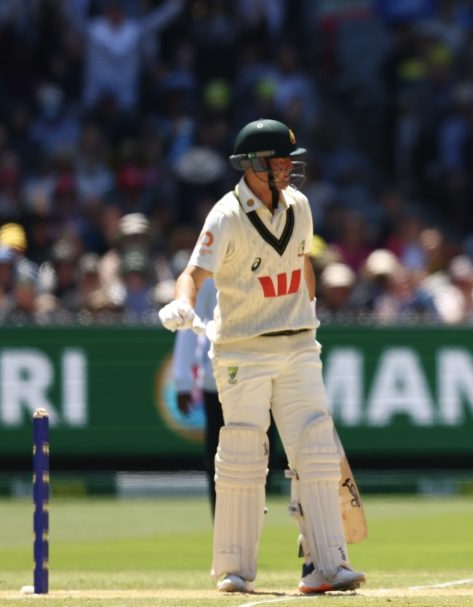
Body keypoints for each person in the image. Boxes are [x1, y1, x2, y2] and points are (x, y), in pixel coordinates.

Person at [158, 118, 365, 594]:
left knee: (315, 449)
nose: (288, 169)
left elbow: (303, 265)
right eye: (279, 161)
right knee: (243, 452)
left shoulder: (300, 205)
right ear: (252, 165)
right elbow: (193, 273)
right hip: (242, 350)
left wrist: (311, 314)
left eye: (290, 161)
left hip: (298, 345)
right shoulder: (226, 215)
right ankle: (234, 569)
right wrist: (183, 303)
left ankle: (327, 565)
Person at [170, 277, 223, 515]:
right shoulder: (209, 272)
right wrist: (183, 382)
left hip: (262, 375)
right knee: (218, 458)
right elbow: (191, 322)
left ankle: (251, 520)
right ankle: (221, 524)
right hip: (218, 380)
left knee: (262, 456)